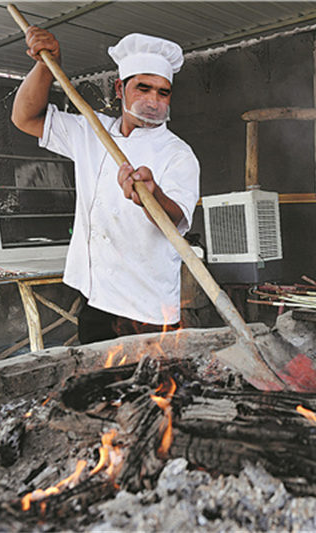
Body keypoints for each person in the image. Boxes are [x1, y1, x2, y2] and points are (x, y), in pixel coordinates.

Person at [12, 28, 200, 344]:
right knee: (99, 387)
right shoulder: (91, 131)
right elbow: (25, 117)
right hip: (96, 296)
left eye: (163, 92)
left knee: (150, 389)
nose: (153, 101)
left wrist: (151, 196)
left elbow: (177, 221)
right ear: (119, 88)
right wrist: (46, 65)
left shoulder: (177, 153)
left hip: (146, 308)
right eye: (143, 88)